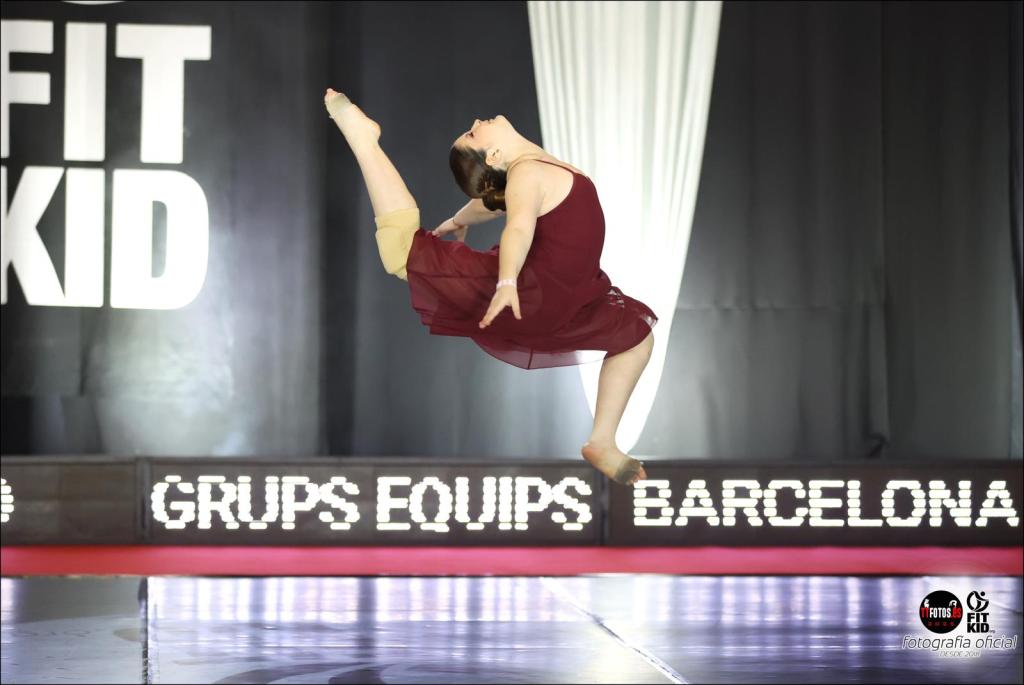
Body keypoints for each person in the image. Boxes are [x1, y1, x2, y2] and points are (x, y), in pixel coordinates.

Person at [324, 88, 655, 486]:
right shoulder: (528, 173)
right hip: (529, 291)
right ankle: (364, 141)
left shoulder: (531, 172)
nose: (477, 122)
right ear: (495, 155)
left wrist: (455, 220)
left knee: (637, 338)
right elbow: (518, 228)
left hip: (566, 296)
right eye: (472, 133)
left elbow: (492, 203)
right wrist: (507, 280)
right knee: (402, 253)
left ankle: (602, 441)